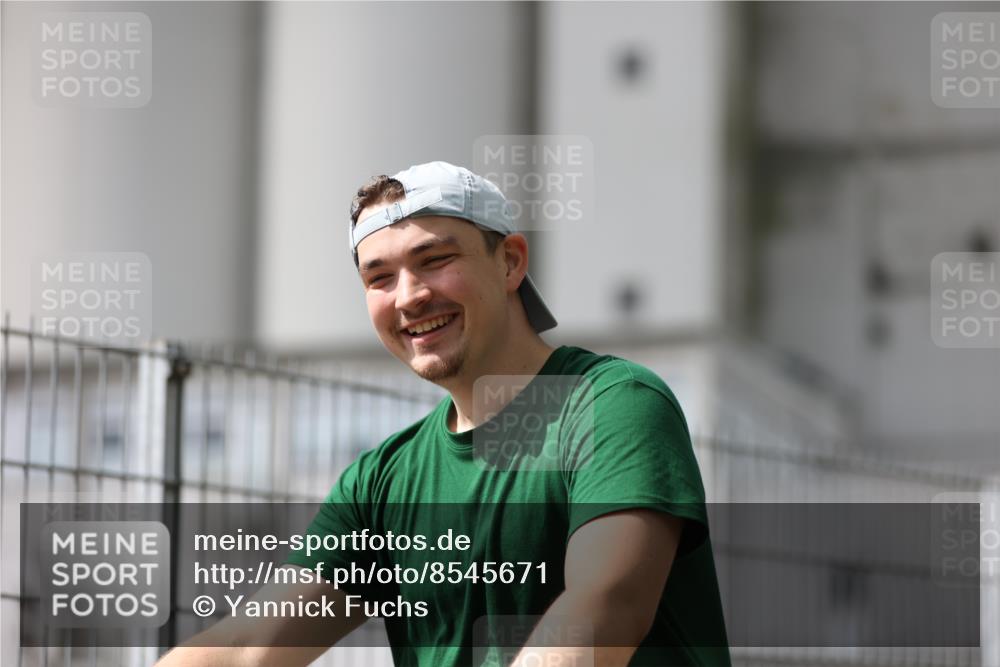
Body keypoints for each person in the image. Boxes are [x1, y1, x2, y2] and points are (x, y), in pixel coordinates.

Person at [156, 161, 731, 667]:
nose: (408, 296)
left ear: (509, 263)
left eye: (434, 260)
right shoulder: (382, 482)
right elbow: (254, 645)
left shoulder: (613, 404)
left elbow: (605, 609)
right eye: (379, 276)